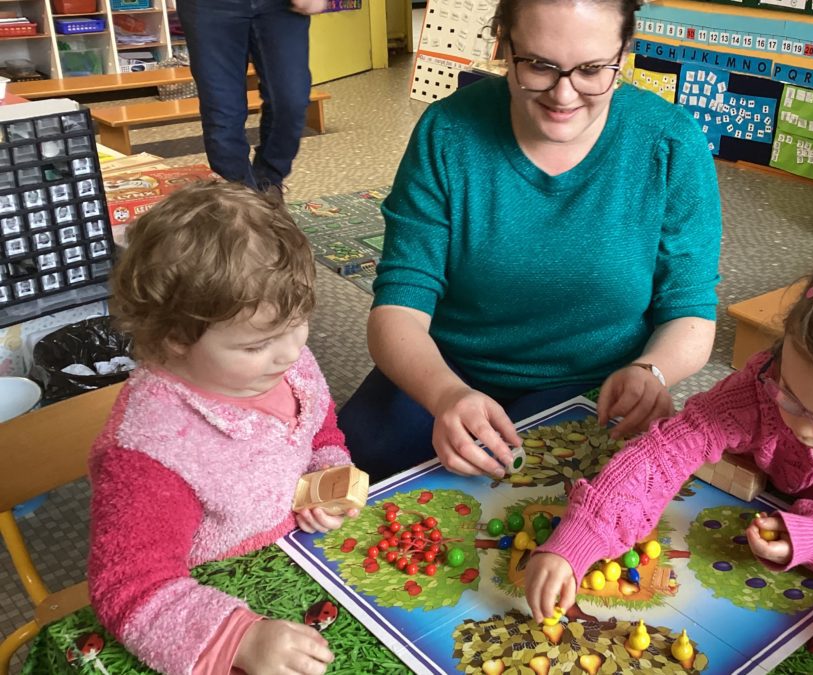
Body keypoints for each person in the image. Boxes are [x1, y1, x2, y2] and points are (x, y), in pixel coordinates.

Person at [338, 0, 723, 482]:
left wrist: (652, 371)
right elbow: (399, 305)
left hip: (596, 387)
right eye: (539, 66)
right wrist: (445, 394)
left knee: (570, 510)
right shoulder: (448, 133)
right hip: (448, 368)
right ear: (504, 45)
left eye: (591, 70)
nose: (563, 95)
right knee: (340, 480)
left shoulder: (669, 143)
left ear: (625, 52)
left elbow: (689, 309)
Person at [525, 242, 813, 622]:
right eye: (792, 397)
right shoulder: (762, 384)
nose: (803, 428)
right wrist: (582, 535)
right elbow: (664, 452)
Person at [88, 182, 353, 675]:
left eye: (299, 324)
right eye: (256, 346)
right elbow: (130, 587)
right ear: (174, 339)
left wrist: (328, 477)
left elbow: (319, 432)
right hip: (211, 612)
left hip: (300, 563)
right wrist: (241, 638)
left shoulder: (284, 363)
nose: (291, 352)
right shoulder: (152, 448)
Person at [176, 0, 326, 193]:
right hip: (209, 6)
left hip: (280, 6)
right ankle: (242, 200)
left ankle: (268, 184)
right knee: (222, 113)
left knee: (291, 102)